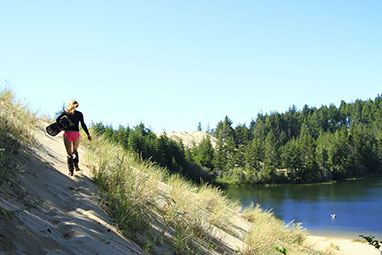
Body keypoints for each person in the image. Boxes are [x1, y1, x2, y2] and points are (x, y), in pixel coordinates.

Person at [56, 100, 91, 176]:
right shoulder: (79, 114)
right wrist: (88, 134)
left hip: (67, 134)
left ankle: (70, 171)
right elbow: (83, 124)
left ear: (70, 105)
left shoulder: (65, 113)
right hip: (76, 135)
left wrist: (61, 127)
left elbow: (57, 120)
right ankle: (76, 165)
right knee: (75, 151)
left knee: (69, 154)